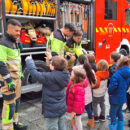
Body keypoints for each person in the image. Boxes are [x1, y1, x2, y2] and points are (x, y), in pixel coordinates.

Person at [25, 55, 70, 130]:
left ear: (53, 67)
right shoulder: (66, 74)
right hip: (61, 107)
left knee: (52, 127)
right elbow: (58, 66)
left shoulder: (48, 77)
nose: (49, 64)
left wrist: (29, 61)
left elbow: (34, 74)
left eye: (51, 63)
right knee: (62, 126)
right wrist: (51, 59)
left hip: (51, 110)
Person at [0, 19, 27, 130]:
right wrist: (9, 80)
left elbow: (16, 60)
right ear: (9, 29)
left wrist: (20, 74)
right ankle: (7, 127)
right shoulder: (3, 43)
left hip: (17, 78)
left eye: (19, 31)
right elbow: (1, 63)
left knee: (17, 101)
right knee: (9, 104)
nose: (18, 33)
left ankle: (15, 123)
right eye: (16, 31)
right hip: (8, 80)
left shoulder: (14, 41)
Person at [108, 57, 130, 130]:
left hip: (115, 97)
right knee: (119, 111)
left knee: (112, 113)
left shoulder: (116, 74)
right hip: (122, 96)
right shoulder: (128, 72)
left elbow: (113, 87)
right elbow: (127, 85)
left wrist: (109, 92)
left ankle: (113, 126)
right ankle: (120, 127)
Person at [66, 65, 88, 130]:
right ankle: (75, 127)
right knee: (75, 118)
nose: (71, 73)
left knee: (78, 120)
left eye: (72, 73)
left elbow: (78, 102)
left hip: (77, 109)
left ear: (76, 77)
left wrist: (74, 111)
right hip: (74, 107)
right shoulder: (73, 82)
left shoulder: (78, 88)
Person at [78, 55, 96, 128]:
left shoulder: (76, 69)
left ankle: (76, 126)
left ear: (78, 61)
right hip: (88, 95)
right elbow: (94, 83)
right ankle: (91, 125)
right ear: (87, 61)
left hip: (78, 96)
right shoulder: (91, 70)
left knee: (77, 113)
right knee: (89, 111)